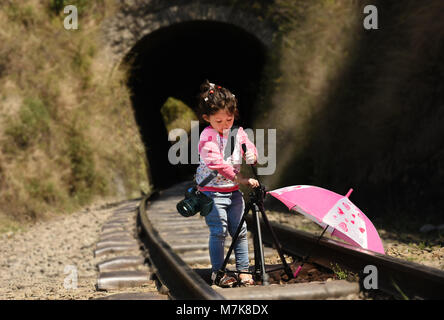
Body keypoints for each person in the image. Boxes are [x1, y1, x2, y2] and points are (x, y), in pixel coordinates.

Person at [195, 80, 259, 287]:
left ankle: (243, 270)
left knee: (239, 230)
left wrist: (252, 154)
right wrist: (241, 179)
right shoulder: (206, 137)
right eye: (219, 121)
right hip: (211, 192)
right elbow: (218, 165)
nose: (224, 125)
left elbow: (247, 146)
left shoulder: (237, 132)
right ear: (207, 118)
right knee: (219, 231)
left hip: (232, 192)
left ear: (235, 115)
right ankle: (218, 272)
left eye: (229, 120)